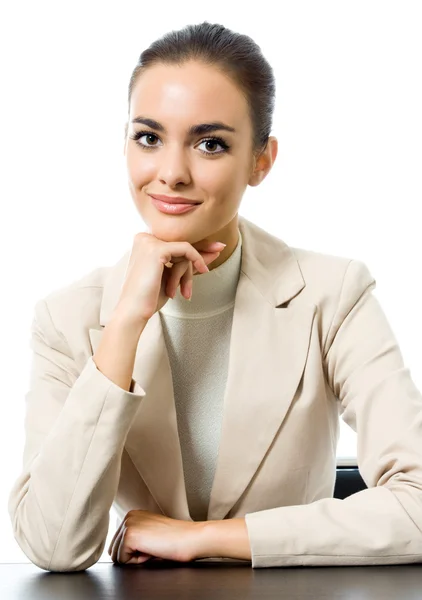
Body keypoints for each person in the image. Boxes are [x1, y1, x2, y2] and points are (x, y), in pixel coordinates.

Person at [8, 21, 422, 573]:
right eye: (149, 137)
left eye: (210, 144)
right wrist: (125, 326)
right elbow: (52, 545)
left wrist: (203, 537)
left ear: (261, 161)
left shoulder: (333, 294)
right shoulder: (65, 318)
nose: (171, 174)